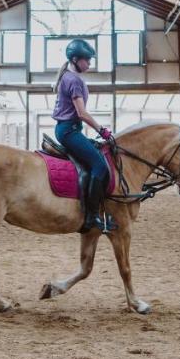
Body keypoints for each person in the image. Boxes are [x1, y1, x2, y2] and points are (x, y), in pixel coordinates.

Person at [52, 39, 113, 233]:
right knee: (99, 165)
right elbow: (82, 113)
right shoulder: (74, 80)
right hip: (69, 131)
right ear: (76, 59)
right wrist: (102, 130)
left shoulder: (69, 77)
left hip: (69, 129)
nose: (90, 64)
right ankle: (91, 217)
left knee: (95, 157)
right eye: (87, 60)